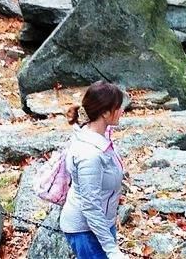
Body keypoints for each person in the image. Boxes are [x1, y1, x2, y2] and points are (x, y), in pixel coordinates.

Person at [60, 81, 127, 259]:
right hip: (86, 230)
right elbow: (90, 205)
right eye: (118, 107)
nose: (122, 111)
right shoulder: (90, 154)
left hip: (100, 226)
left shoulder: (96, 135)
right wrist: (112, 249)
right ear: (105, 113)